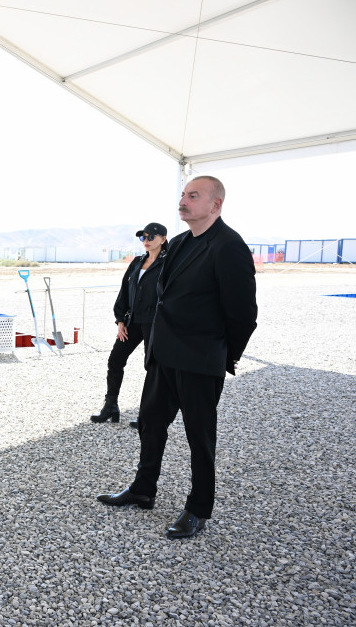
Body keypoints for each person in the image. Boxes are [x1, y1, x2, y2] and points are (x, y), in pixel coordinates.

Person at [97, 176, 258, 539]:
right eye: (183, 194)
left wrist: (224, 356)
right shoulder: (180, 243)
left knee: (199, 437)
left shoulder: (229, 246)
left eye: (193, 196)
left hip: (200, 360)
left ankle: (198, 508)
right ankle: (143, 489)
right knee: (150, 424)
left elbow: (243, 314)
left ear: (215, 204)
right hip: (163, 356)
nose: (183, 201)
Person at [91, 223, 168, 427]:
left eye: (151, 237)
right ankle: (110, 407)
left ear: (163, 239)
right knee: (115, 360)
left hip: (154, 323)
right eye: (143, 237)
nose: (146, 241)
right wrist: (120, 320)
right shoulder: (137, 262)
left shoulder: (168, 263)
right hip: (133, 321)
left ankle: (148, 415)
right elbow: (124, 291)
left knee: (152, 368)